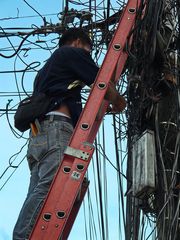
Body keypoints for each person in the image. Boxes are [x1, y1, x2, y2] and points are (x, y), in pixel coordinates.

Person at [13, 28, 126, 239]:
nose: (87, 56)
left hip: (40, 134)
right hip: (56, 128)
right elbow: (100, 83)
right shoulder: (70, 53)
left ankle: (25, 234)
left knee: (38, 190)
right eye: (88, 50)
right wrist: (119, 101)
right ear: (76, 42)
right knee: (49, 188)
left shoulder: (48, 71)